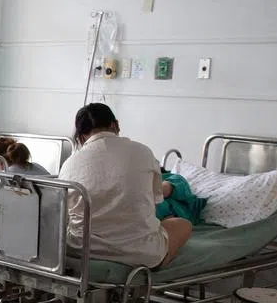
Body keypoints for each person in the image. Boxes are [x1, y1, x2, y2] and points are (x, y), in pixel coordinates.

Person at [58, 103, 192, 267]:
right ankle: (151, 268)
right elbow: (157, 200)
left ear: (81, 136)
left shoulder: (70, 164)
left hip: (81, 248)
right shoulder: (143, 152)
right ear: (115, 125)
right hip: (137, 251)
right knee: (183, 225)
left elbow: (63, 211)